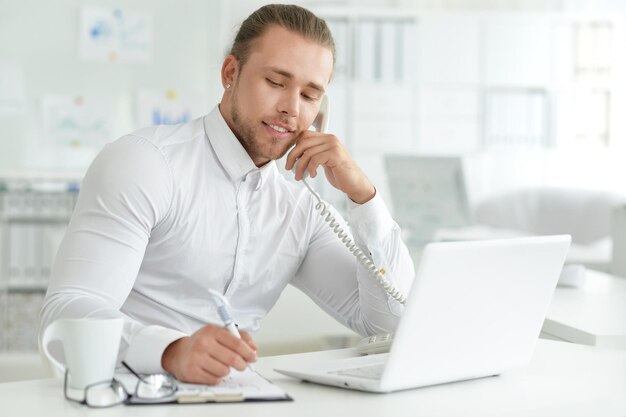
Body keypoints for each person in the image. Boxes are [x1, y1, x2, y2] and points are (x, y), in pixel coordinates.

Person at [39, 4, 415, 385]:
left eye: (310, 94)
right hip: (125, 396)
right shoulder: (145, 164)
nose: (291, 108)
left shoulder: (299, 209)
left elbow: (391, 322)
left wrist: (364, 198)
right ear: (230, 74)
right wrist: (169, 351)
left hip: (237, 401)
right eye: (276, 82)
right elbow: (66, 313)